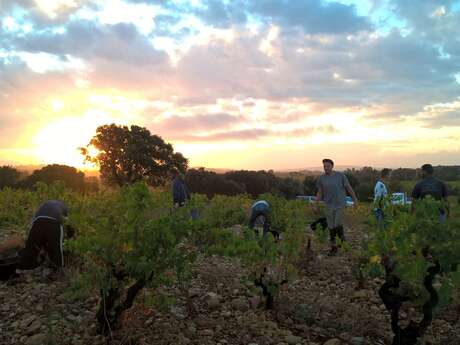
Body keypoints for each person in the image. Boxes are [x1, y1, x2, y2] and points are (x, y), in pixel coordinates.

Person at [315, 159, 358, 255]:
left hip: (340, 204)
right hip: (328, 205)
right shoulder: (321, 178)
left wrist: (355, 199)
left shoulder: (340, 176)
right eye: (324, 166)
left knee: (337, 224)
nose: (326, 168)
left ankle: (338, 245)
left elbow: (348, 188)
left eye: (328, 166)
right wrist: (316, 204)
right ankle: (338, 244)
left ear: (332, 166)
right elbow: (320, 192)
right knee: (331, 227)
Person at [18, 200, 68, 271]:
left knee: (31, 245)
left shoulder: (44, 204)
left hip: (38, 220)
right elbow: (66, 221)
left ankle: (27, 266)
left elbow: (34, 221)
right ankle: (58, 268)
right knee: (57, 247)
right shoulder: (63, 206)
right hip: (54, 222)